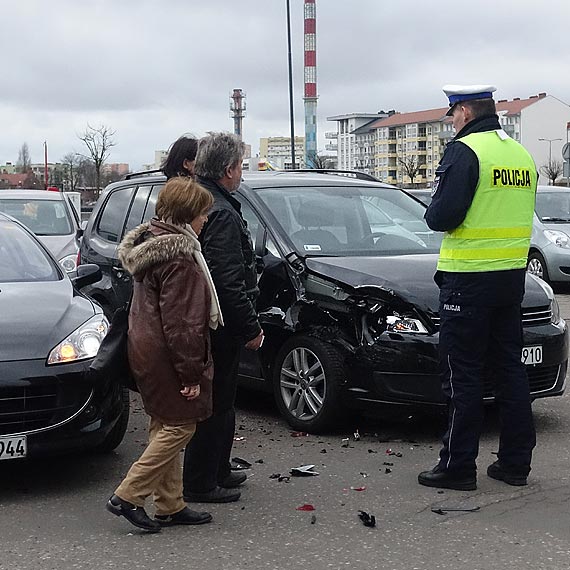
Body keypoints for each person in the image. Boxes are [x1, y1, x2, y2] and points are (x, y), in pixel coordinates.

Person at [418, 85, 538, 491]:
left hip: (467, 282)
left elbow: (442, 216)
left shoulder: (465, 150)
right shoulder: (520, 155)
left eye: (452, 114)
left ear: (465, 111)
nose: (451, 122)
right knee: (510, 370)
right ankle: (515, 464)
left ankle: (457, 467)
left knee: (462, 375)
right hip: (510, 280)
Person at [106, 176, 223, 532]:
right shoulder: (181, 258)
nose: (205, 221)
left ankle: (170, 504)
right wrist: (190, 374)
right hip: (167, 354)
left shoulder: (152, 244)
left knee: (164, 423)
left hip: (145, 348)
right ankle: (128, 495)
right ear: (188, 216)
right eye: (202, 214)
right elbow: (184, 324)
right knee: (181, 427)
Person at [183, 132, 263, 503]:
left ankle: (219, 469)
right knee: (215, 403)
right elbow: (227, 280)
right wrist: (250, 326)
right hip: (219, 325)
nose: (242, 172)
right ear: (229, 169)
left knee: (219, 401)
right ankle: (202, 481)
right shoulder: (222, 212)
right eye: (241, 165)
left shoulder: (198, 198)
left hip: (202, 320)